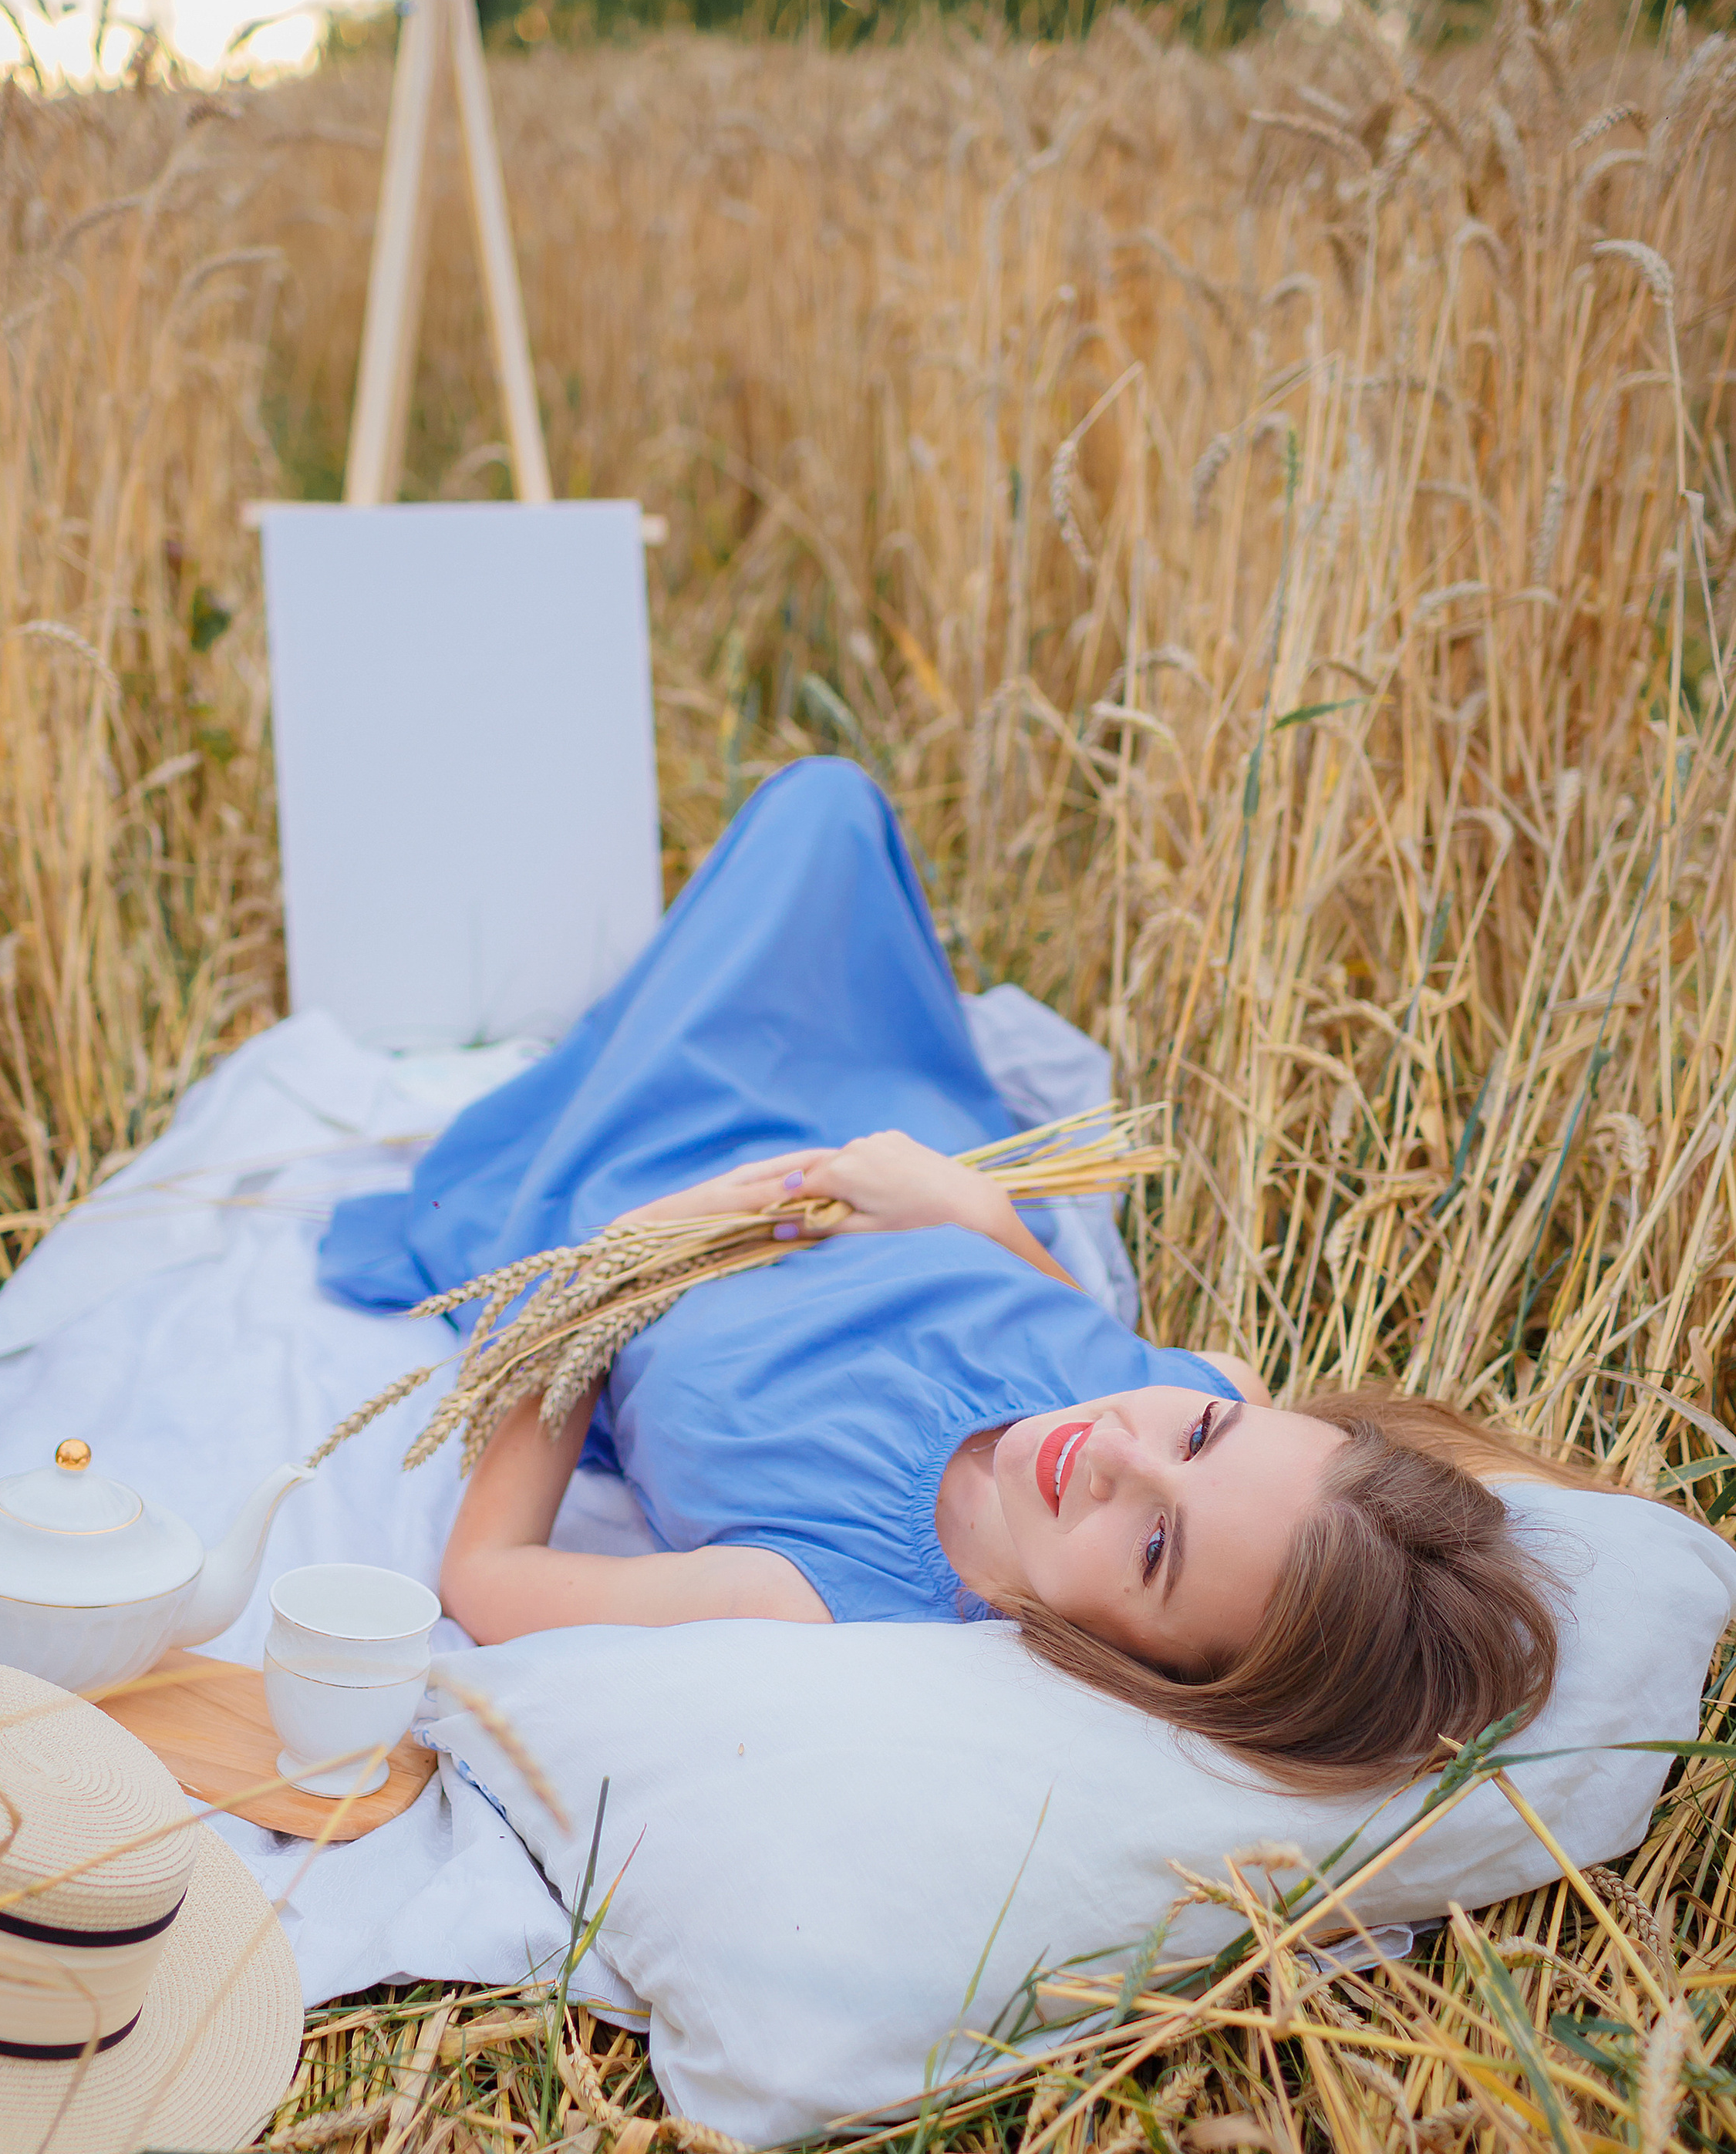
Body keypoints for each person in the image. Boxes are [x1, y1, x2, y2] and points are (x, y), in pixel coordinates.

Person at [322, 760, 1575, 1790]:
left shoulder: (808, 1595)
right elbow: (1073, 1336)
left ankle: (628, 1060)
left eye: (1151, 1549)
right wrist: (972, 1211)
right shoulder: (1195, 1384)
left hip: (638, 1204)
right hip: (863, 1150)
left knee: (646, 1041)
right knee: (828, 802)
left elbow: (484, 1581)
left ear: (1134, 1669)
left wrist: (619, 1274)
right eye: (1196, 1436)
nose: (1112, 1455)